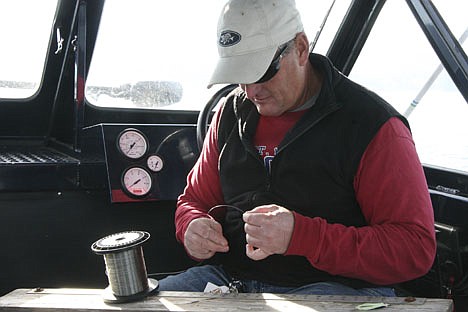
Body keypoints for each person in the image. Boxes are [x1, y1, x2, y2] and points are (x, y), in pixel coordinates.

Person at [158, 0, 436, 296]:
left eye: (262, 72)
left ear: (301, 48)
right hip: (231, 280)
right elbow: (194, 201)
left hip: (338, 289)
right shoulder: (229, 114)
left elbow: (414, 249)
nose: (252, 91)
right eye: (240, 75)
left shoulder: (372, 126)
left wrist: (304, 237)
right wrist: (192, 226)